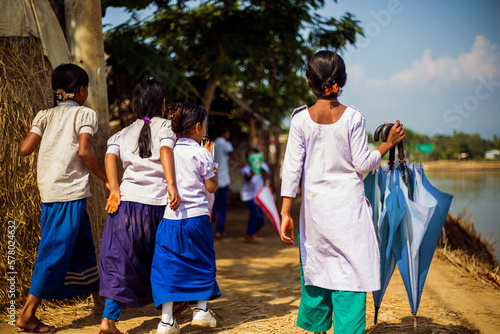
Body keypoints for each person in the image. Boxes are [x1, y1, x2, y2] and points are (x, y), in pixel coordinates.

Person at [280, 50, 406, 334]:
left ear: (309, 82)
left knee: (318, 269)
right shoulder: (353, 118)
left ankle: (317, 327)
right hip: (348, 213)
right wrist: (388, 144)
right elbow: (363, 163)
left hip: (314, 215)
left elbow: (291, 168)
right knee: (350, 275)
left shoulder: (300, 119)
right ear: (342, 81)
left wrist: (286, 211)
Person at [18, 63, 108, 333]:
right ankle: (26, 314)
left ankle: (100, 301)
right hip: (68, 192)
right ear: (80, 90)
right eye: (86, 88)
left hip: (50, 190)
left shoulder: (44, 115)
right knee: (54, 251)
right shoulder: (84, 114)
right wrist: (106, 178)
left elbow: (24, 149)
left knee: (82, 246)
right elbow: (85, 152)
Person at [98, 80, 186, 334]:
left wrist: (114, 189)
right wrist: (171, 185)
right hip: (157, 207)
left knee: (118, 262)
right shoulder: (168, 128)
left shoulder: (123, 132)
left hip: (125, 206)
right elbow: (167, 151)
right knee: (164, 259)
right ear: (162, 104)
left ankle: (108, 320)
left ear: (136, 105)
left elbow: (109, 155)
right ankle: (170, 311)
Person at [151, 103, 220, 334]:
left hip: (170, 219)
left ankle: (166, 320)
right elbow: (211, 187)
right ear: (199, 127)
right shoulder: (202, 153)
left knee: (166, 266)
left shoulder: (167, 150)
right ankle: (200, 310)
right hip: (198, 219)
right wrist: (215, 173)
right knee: (202, 261)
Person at [212, 126, 243, 238]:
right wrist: (238, 163)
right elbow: (232, 154)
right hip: (223, 179)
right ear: (225, 133)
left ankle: (211, 223)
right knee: (222, 207)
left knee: (213, 203)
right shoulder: (226, 144)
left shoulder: (213, 144)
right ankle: (219, 231)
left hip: (213, 179)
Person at [240, 148, 270, 243]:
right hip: (247, 196)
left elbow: (268, 174)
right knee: (255, 211)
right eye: (249, 156)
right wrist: (253, 173)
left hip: (259, 197)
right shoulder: (246, 169)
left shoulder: (263, 166)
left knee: (261, 218)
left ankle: (253, 231)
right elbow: (247, 178)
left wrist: (261, 170)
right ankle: (250, 235)